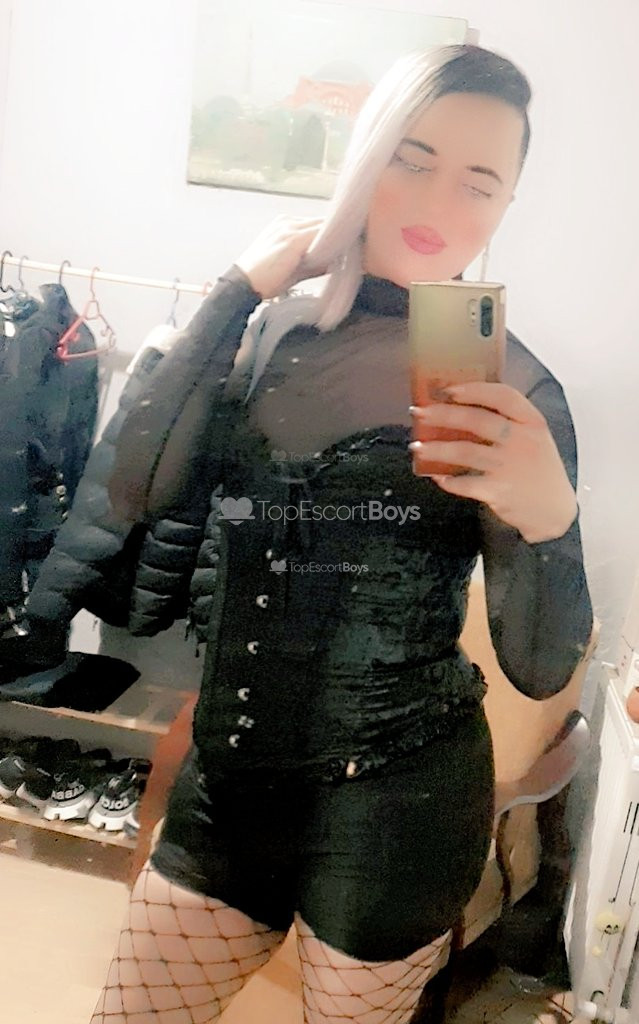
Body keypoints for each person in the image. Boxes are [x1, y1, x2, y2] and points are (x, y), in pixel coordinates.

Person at [91, 43, 593, 1024]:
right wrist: (233, 291)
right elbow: (134, 488)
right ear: (364, 156)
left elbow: (539, 667)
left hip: (395, 811)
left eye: (479, 181)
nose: (439, 200)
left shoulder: (517, 389)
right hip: (228, 789)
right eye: (412, 157)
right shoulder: (272, 329)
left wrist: (552, 520)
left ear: (505, 204)